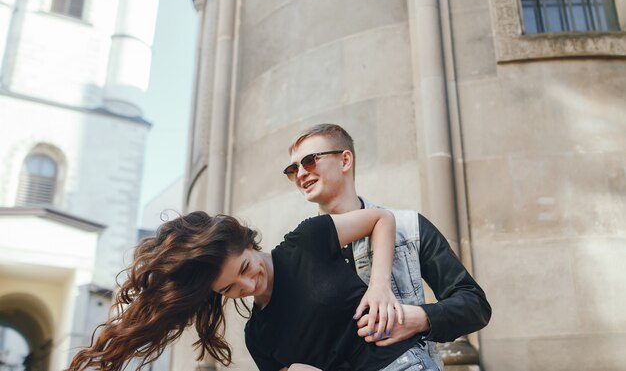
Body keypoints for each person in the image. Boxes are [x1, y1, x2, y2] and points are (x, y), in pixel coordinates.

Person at [66, 209, 440, 371]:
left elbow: (381, 219)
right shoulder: (258, 334)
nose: (247, 286)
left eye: (245, 268)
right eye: (229, 289)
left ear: (248, 242)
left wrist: (378, 288)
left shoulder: (304, 242)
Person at [283, 124, 492, 366]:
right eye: (292, 169)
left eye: (309, 160)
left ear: (345, 160)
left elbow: (474, 304)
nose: (300, 174)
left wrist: (418, 318)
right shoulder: (299, 255)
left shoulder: (409, 227)